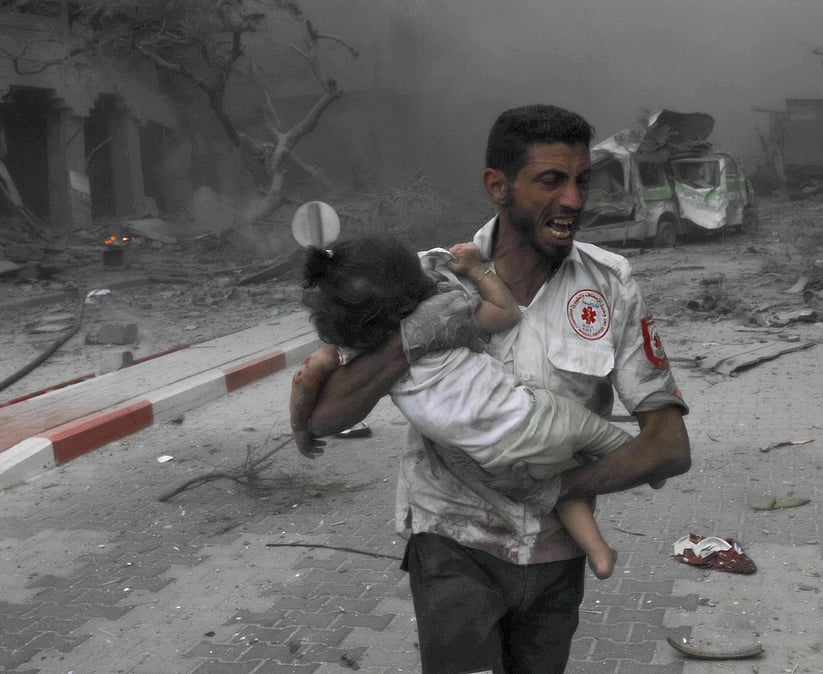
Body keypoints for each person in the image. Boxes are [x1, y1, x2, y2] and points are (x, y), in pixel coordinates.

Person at [292, 103, 691, 674]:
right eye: (551, 181)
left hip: (557, 560)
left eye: (582, 182)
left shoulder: (611, 286)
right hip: (452, 545)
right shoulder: (422, 281)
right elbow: (326, 417)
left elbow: (670, 448)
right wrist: (411, 338)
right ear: (497, 186)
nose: (574, 201)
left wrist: (555, 491)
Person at [291, 235, 640, 580]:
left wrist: (299, 428)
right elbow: (506, 313)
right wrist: (475, 269)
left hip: (486, 459)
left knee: (556, 485)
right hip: (530, 420)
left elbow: (305, 380)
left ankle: (599, 552)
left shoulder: (356, 349)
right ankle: (644, 461)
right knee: (590, 433)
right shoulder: (444, 307)